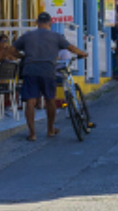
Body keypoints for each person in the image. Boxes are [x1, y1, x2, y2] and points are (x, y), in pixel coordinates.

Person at [17, 11, 86, 140]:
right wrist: (82, 53)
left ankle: (32, 134)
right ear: (50, 23)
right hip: (48, 71)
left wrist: (22, 57)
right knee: (50, 99)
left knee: (31, 101)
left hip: (30, 70)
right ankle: (50, 129)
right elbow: (70, 47)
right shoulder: (56, 36)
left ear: (37, 23)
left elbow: (11, 50)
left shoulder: (27, 36)